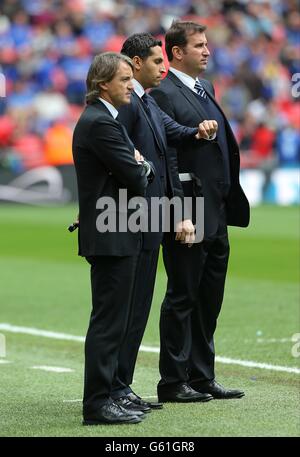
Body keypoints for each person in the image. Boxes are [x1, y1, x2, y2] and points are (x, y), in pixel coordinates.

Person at [111, 33, 218, 408]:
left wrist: (195, 130)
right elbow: (120, 155)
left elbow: (170, 135)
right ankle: (112, 390)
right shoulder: (124, 104)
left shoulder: (145, 101)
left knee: (138, 307)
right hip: (132, 216)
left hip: (150, 215)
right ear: (135, 63)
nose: (164, 68)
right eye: (158, 61)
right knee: (124, 310)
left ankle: (121, 387)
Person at [150, 21, 250, 402]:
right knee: (182, 294)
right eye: (199, 45)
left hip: (217, 209)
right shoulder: (161, 93)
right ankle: (173, 381)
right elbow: (168, 156)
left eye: (207, 44)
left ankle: (202, 375)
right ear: (177, 52)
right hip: (189, 209)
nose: (207, 51)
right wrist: (177, 211)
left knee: (210, 295)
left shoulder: (205, 87)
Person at [72, 52, 155, 425]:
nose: (130, 85)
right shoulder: (101, 123)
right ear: (103, 83)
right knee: (108, 322)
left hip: (117, 229)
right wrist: (143, 165)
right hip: (111, 232)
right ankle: (97, 404)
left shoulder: (106, 120)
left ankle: (108, 396)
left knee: (114, 320)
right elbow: (137, 179)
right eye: (124, 79)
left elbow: (132, 172)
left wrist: (138, 164)